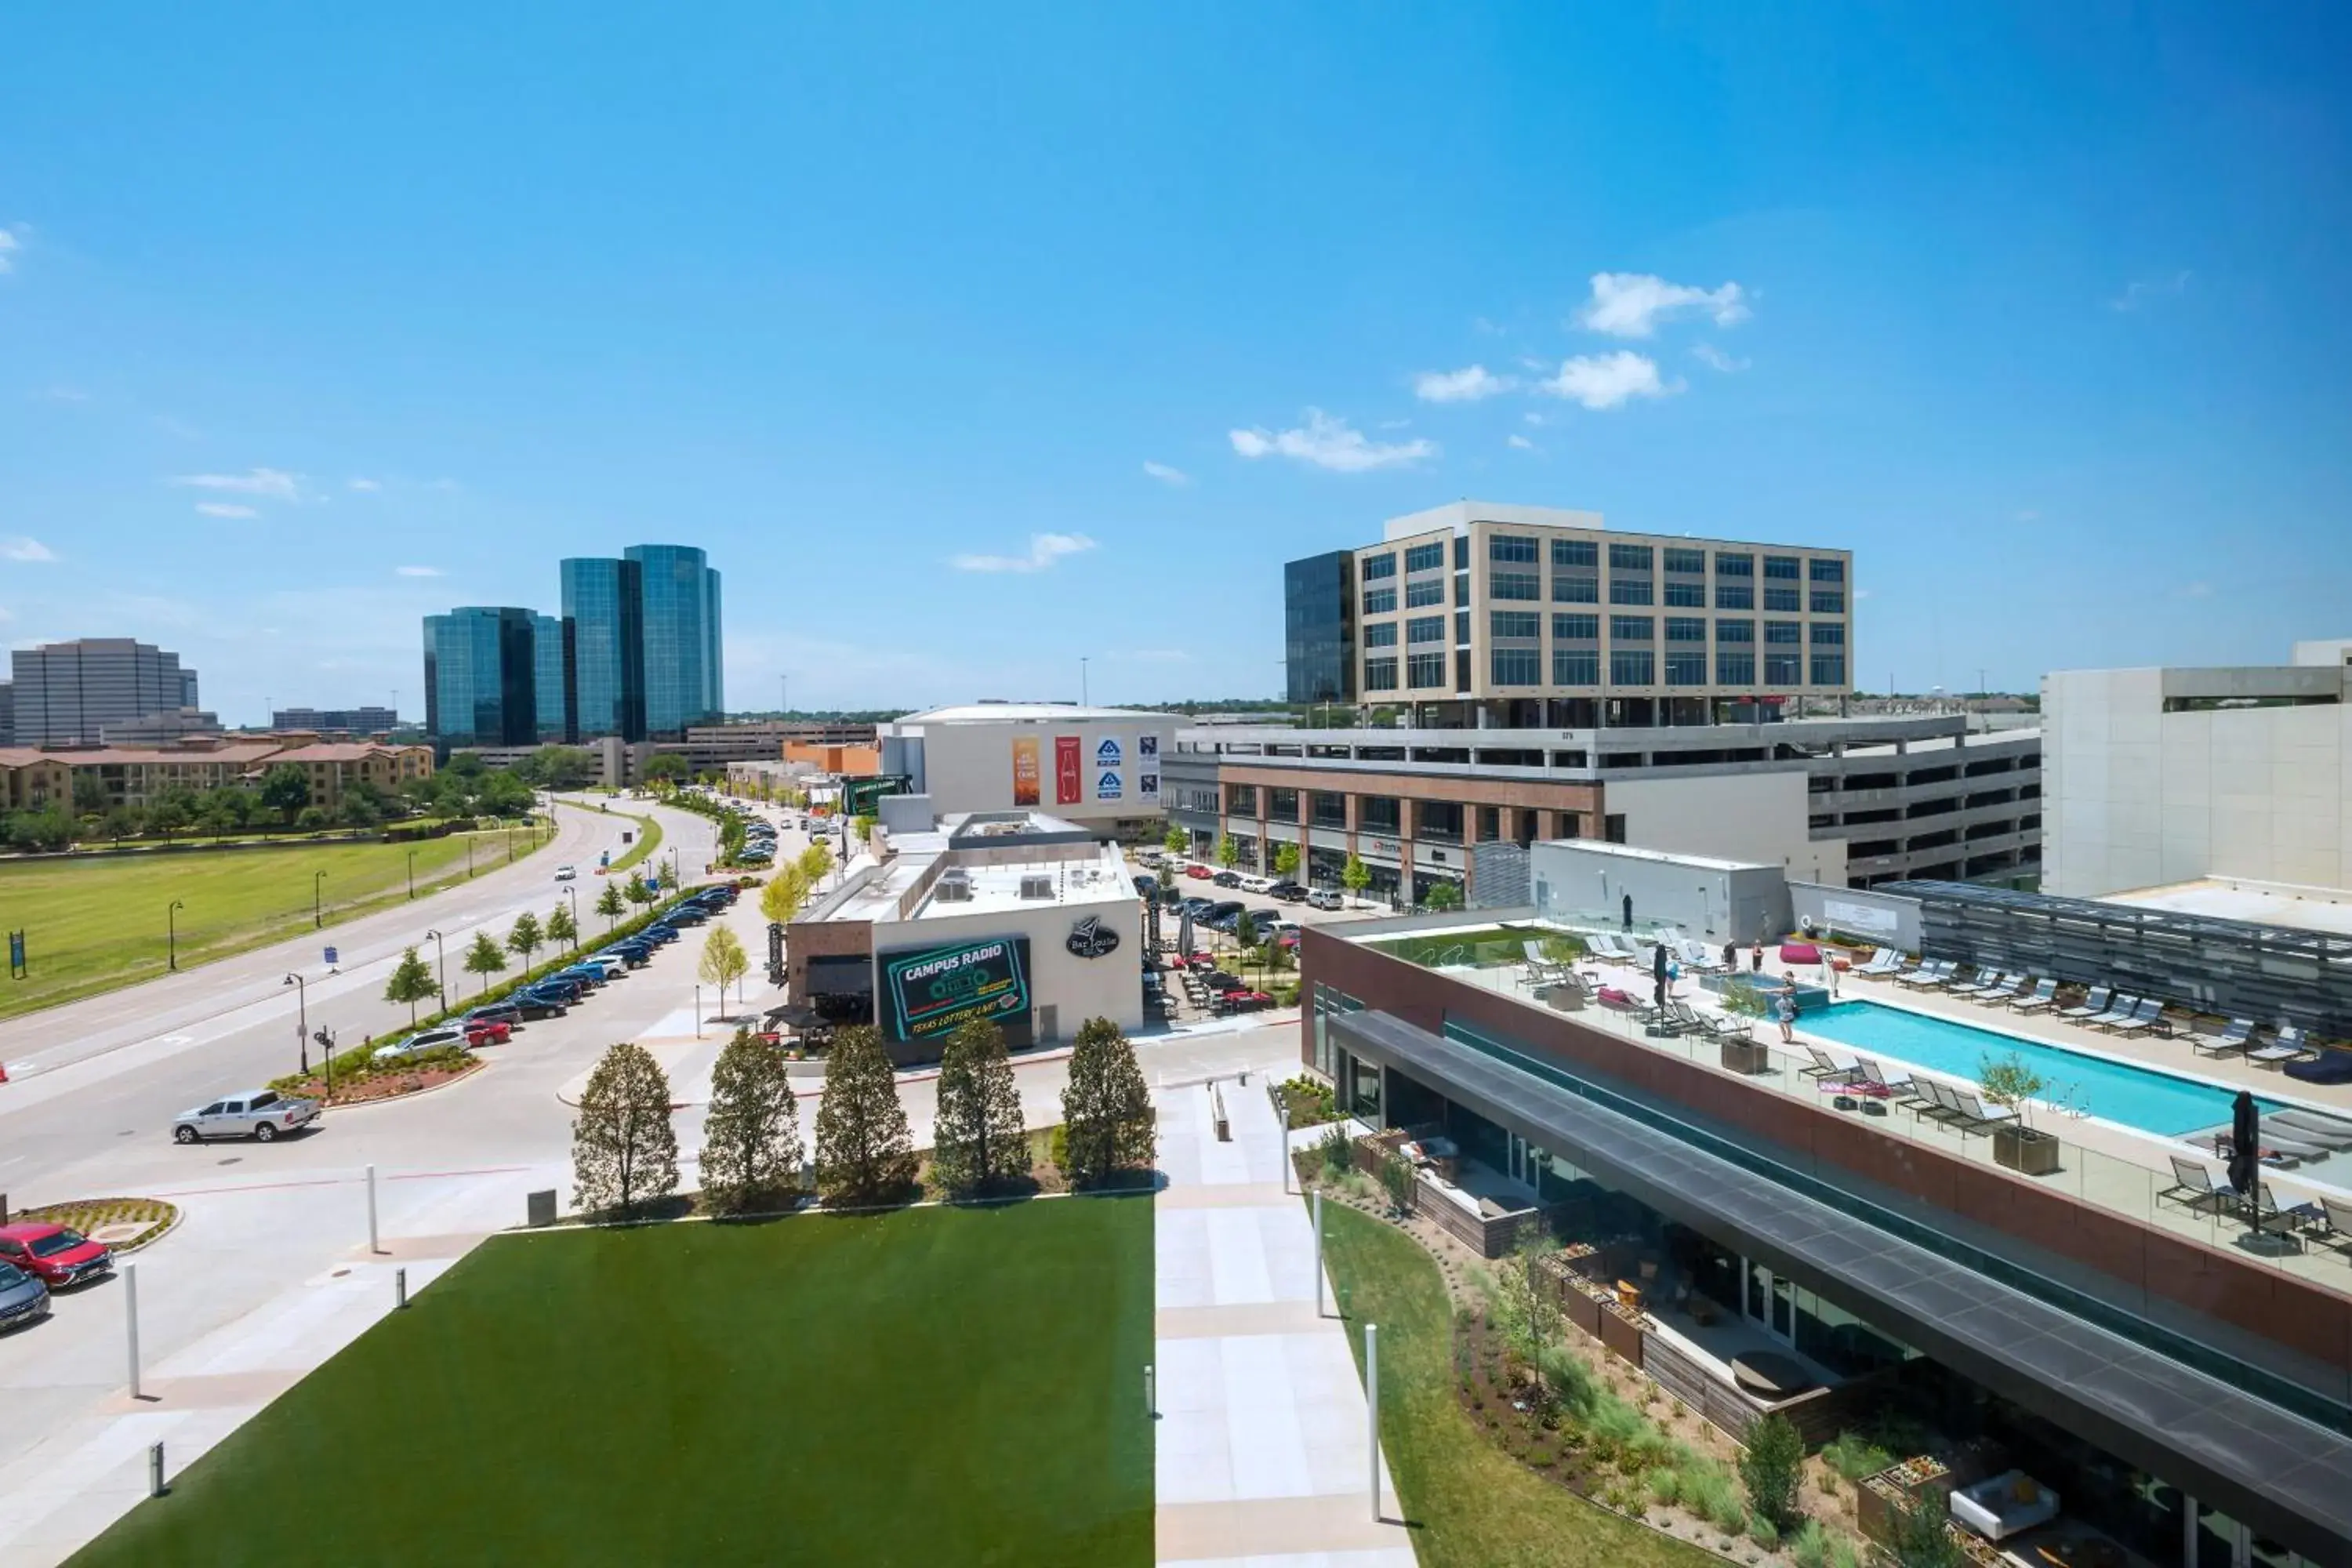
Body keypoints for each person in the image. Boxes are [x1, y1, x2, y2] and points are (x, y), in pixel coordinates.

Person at [1775, 971, 1799, 1044]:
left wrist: (1785, 977)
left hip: (1784, 1016)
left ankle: (1786, 1039)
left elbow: (1778, 1007)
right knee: (1788, 1027)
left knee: (1781, 1026)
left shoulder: (1780, 1002)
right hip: (1790, 1016)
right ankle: (1789, 1039)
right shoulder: (1791, 1000)